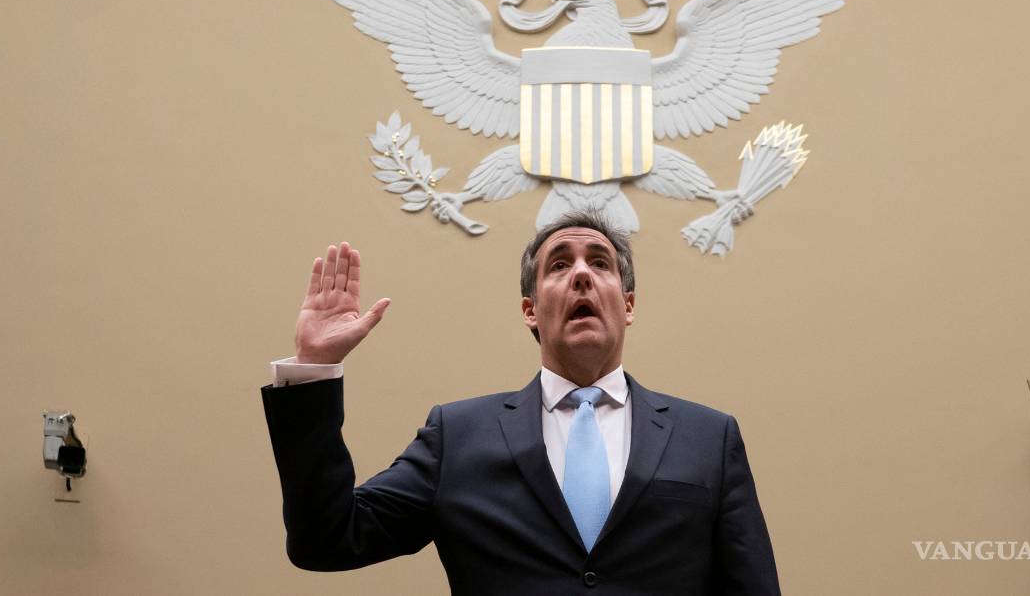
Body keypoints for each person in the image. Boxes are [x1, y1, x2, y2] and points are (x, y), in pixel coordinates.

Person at [261, 211, 781, 594]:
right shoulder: (458, 437)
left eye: (600, 263)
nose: (581, 275)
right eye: (560, 264)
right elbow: (326, 540)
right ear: (530, 310)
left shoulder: (708, 438)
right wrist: (313, 368)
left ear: (627, 306)